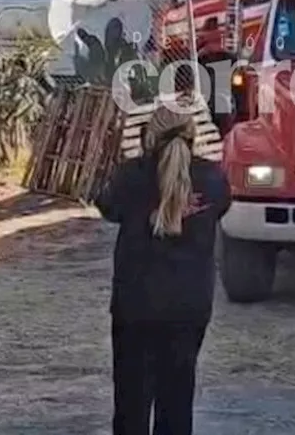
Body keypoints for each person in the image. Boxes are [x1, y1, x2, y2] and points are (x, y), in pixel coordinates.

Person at [94, 107, 231, 435]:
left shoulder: (130, 176)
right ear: (193, 135)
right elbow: (222, 208)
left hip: (135, 303)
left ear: (148, 136)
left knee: (131, 402)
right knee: (177, 400)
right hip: (189, 305)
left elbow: (106, 206)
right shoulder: (213, 179)